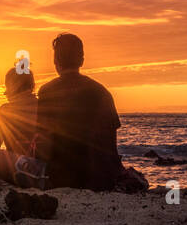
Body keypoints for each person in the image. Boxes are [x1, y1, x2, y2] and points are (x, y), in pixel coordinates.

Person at [35, 33, 124, 191]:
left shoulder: (47, 92)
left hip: (62, 177)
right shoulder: (102, 92)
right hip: (100, 178)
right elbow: (111, 144)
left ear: (55, 61)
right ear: (82, 60)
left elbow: (43, 140)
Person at [0, 65, 38, 161]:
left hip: (18, 165)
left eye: (7, 87)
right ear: (32, 85)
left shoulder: (5, 110)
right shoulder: (44, 106)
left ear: (12, 87)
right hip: (43, 165)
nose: (5, 94)